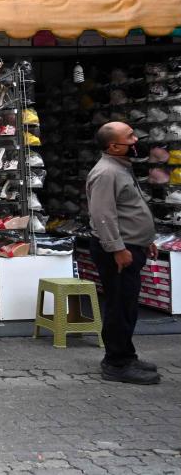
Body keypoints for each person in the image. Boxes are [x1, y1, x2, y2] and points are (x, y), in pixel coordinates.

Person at [86, 122, 160, 384]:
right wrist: (117, 248)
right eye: (129, 137)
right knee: (119, 305)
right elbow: (103, 215)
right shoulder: (106, 173)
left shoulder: (120, 168)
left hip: (131, 246)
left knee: (127, 304)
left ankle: (126, 355)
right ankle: (116, 363)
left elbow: (128, 209)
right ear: (114, 146)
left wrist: (145, 239)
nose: (135, 139)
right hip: (118, 251)